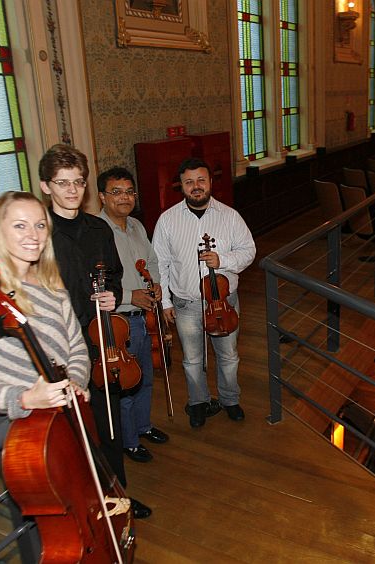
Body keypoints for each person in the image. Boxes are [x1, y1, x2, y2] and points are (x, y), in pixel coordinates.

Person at [38, 144, 151, 519]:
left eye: (78, 182)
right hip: (62, 349)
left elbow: (115, 277)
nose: (72, 190)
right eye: (62, 182)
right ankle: (85, 505)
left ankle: (118, 497)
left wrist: (112, 295)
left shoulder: (99, 229)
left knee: (109, 427)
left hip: (104, 343)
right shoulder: (40, 235)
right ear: (46, 186)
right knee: (74, 435)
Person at [0, 191, 90, 418]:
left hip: (66, 412)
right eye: (20, 226)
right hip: (23, 420)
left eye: (40, 225)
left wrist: (74, 382)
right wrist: (24, 399)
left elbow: (77, 347)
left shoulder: (51, 283)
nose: (33, 235)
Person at [153, 158, 256, 428]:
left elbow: (249, 251)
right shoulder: (168, 220)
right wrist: (165, 302)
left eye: (201, 180)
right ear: (181, 186)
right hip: (186, 303)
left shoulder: (230, 216)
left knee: (228, 355)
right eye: (189, 182)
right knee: (192, 360)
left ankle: (230, 399)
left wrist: (223, 260)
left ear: (210, 182)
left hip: (224, 301)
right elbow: (160, 264)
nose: (195, 186)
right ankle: (198, 402)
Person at [97, 167, 169, 463]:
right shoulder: (97, 232)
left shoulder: (137, 225)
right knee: (126, 385)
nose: (124, 197)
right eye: (116, 192)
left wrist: (156, 284)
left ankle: (143, 426)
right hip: (120, 321)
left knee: (146, 378)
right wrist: (130, 296)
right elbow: (96, 283)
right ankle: (129, 441)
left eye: (129, 191)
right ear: (102, 197)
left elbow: (151, 260)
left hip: (144, 316)